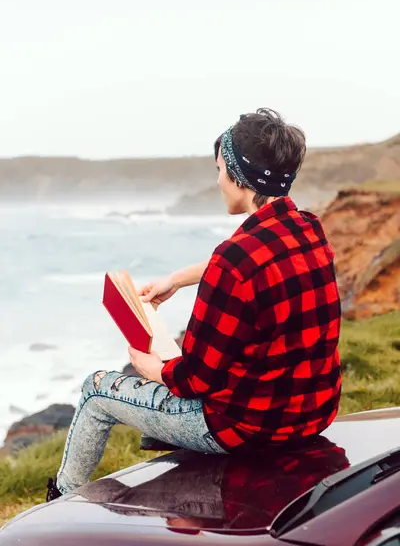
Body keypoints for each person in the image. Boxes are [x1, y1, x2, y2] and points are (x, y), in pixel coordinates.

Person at [47, 108, 342, 501]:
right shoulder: (308, 229)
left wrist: (152, 368)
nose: (218, 180)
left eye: (220, 169)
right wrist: (178, 279)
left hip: (243, 427)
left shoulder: (233, 262)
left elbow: (194, 381)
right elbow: (258, 260)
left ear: (240, 178)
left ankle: (59, 503)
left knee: (95, 392)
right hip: (311, 414)